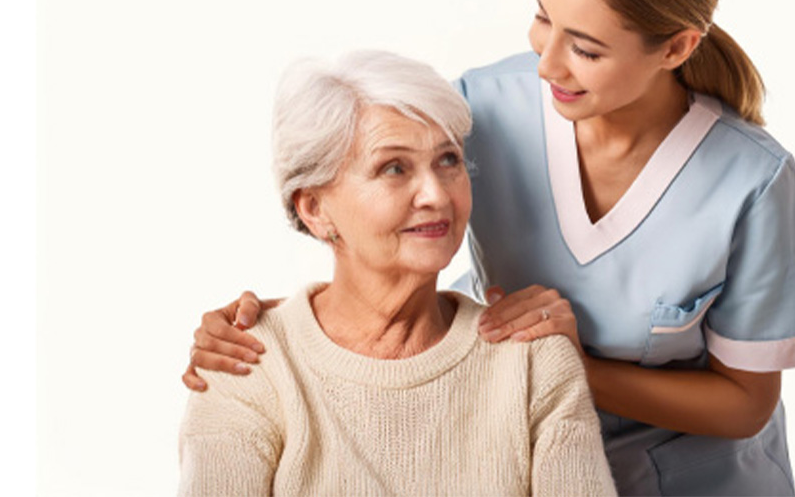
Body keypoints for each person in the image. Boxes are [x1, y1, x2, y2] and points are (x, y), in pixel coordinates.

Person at [185, 0, 795, 496]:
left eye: (586, 50)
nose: (546, 65)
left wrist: (557, 367)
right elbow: (375, 208)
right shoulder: (484, 107)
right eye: (543, 19)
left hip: (696, 477)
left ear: (676, 47)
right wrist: (271, 331)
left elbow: (744, 403)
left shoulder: (751, 180)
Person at [176, 50, 616, 496]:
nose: (436, 195)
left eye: (448, 160)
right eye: (394, 167)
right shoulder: (246, 362)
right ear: (314, 208)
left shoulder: (532, 361)